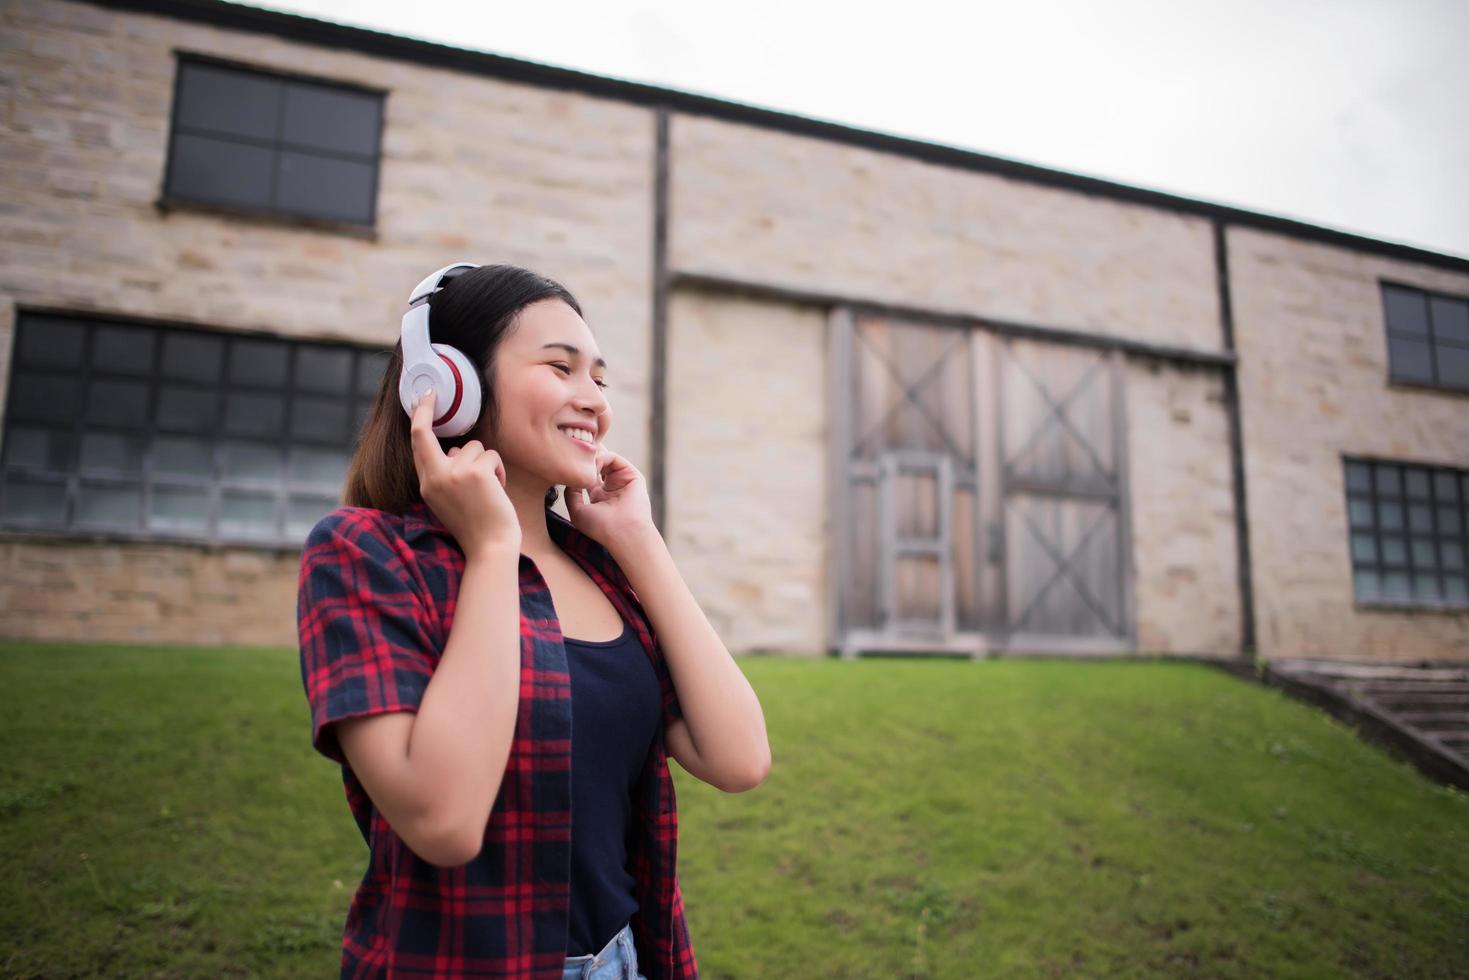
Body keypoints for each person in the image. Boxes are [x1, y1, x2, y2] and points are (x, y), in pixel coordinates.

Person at [296, 263, 771, 979]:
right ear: (447, 383)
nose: (594, 402)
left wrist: (640, 542)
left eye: (600, 380)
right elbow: (443, 822)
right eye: (561, 368)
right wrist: (493, 550)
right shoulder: (364, 554)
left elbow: (737, 759)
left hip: (627, 962)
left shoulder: (605, 566)